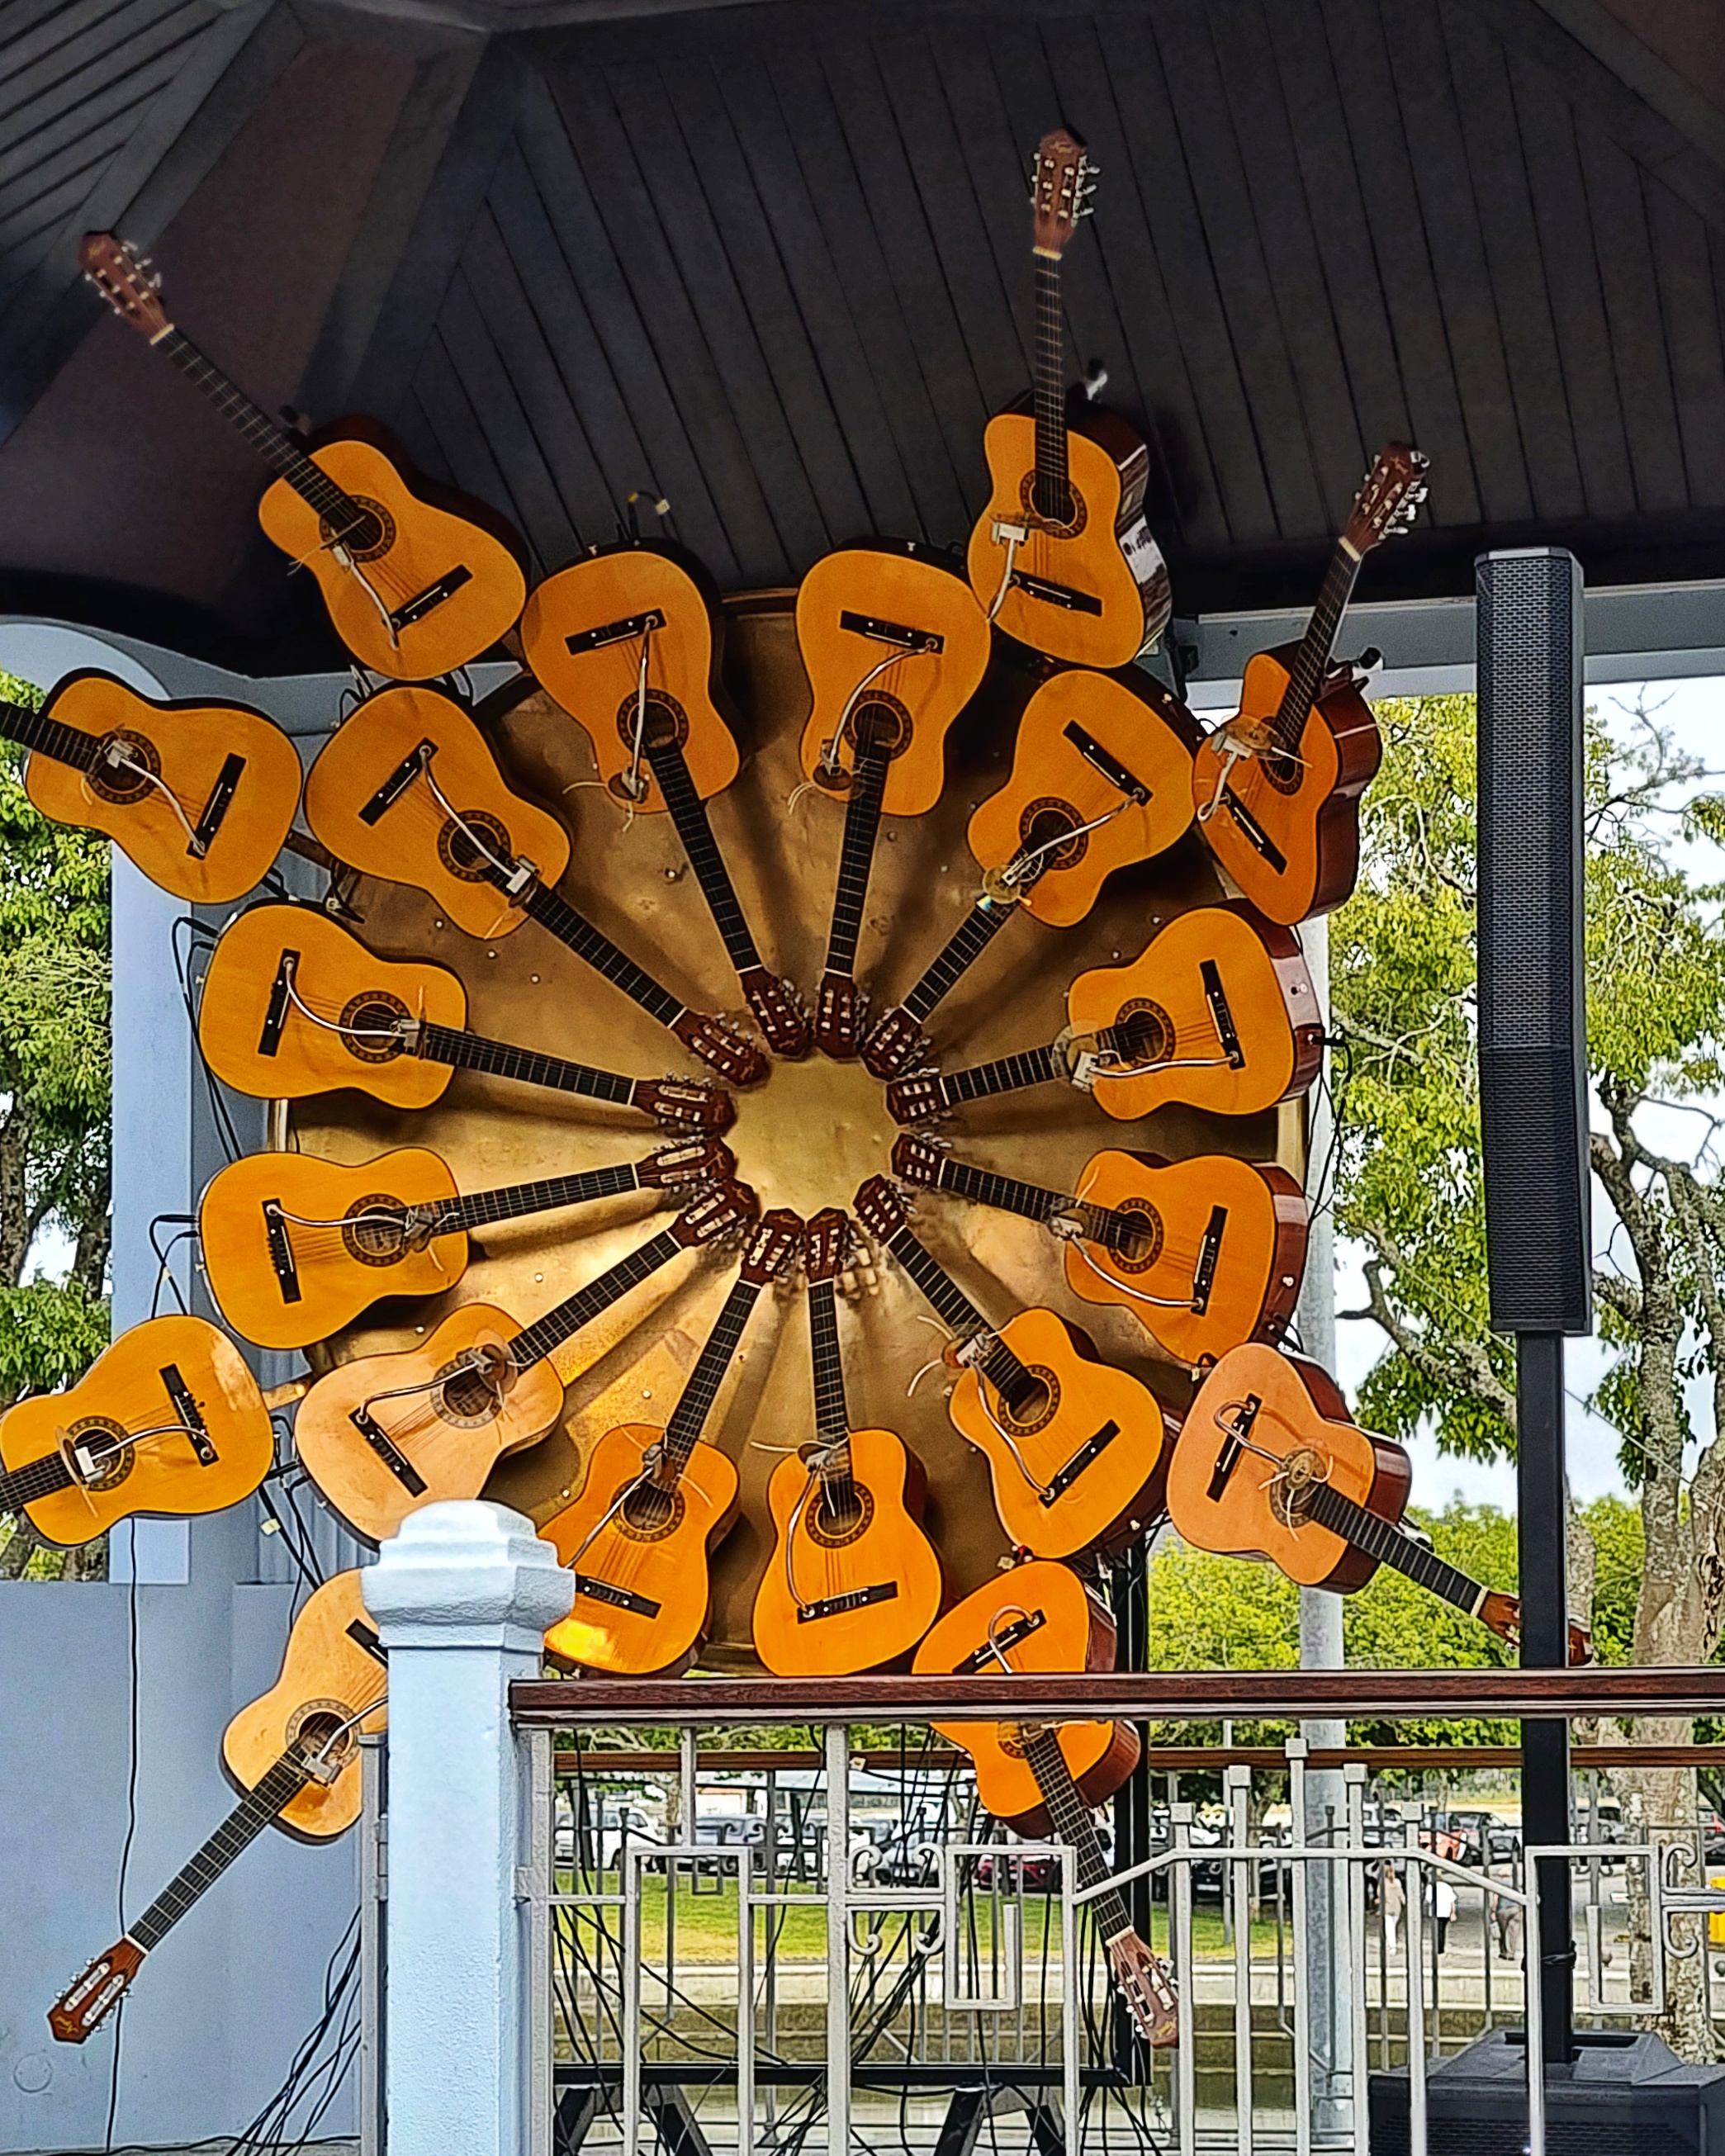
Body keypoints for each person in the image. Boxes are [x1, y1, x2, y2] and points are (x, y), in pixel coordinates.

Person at [1381, 1862, 1405, 1955]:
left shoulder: (1383, 1883)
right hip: (1397, 1908)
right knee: (1392, 1927)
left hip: (1387, 1907)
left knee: (1389, 1928)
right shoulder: (1397, 1882)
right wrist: (1404, 1903)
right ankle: (1388, 1946)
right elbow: (1401, 1895)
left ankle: (1392, 1947)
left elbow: (1381, 1895)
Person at [1432, 1873, 1457, 1954]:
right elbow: (1452, 1901)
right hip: (1446, 1911)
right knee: (1443, 1930)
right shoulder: (1447, 1887)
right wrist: (1453, 1912)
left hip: (1436, 1911)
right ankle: (1441, 1947)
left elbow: (1428, 1899)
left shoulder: (1432, 1887)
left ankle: (1438, 1947)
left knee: (1437, 1930)